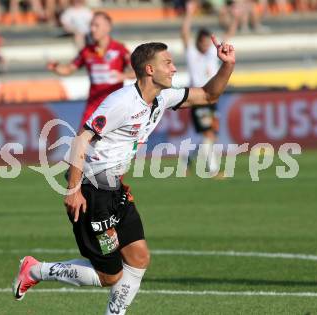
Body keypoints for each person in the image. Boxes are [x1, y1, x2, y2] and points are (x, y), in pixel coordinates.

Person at [12, 37, 235, 314]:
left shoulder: (162, 97)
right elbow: (82, 138)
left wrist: (227, 66)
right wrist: (73, 190)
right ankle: (36, 270)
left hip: (115, 189)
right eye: (168, 63)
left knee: (139, 257)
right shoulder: (121, 102)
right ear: (150, 70)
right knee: (109, 276)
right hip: (92, 193)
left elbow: (208, 95)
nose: (174, 69)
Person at [47, 11, 135, 128]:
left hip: (115, 106)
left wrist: (123, 76)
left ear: (107, 27)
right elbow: (69, 69)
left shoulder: (120, 49)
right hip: (93, 106)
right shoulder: (87, 51)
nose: (92, 29)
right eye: (91, 26)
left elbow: (136, 71)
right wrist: (56, 67)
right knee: (80, 140)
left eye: (96, 25)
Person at [181, 1, 222, 175]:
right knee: (209, 134)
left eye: (208, 42)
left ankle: (188, 157)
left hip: (212, 98)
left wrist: (235, 19)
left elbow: (230, 34)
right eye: (203, 42)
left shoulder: (212, 54)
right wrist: (189, 13)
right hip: (198, 97)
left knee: (211, 134)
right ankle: (212, 169)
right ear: (198, 42)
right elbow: (184, 33)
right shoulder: (192, 53)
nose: (206, 45)